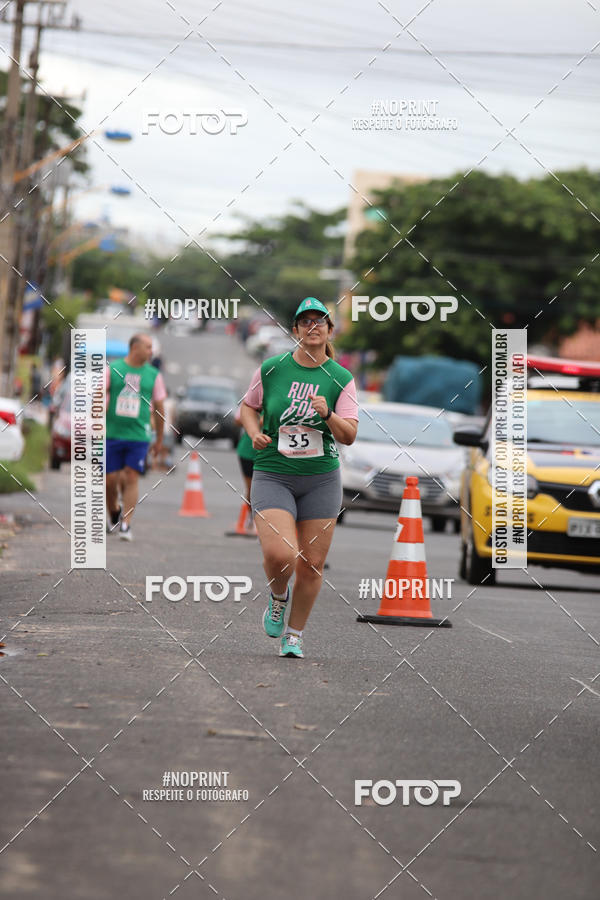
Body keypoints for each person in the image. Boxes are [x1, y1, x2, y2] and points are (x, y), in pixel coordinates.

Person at [240, 297, 359, 659]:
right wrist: (253, 432)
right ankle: (279, 596)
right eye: (305, 321)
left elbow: (349, 435)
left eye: (319, 321)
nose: (313, 327)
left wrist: (328, 415)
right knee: (281, 554)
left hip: (321, 479)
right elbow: (248, 406)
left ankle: (294, 635)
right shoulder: (272, 368)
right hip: (273, 473)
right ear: (295, 330)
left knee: (312, 564)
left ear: (329, 330)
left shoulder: (341, 379)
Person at [105, 333, 166, 540]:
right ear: (134, 348)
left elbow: (160, 408)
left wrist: (159, 439)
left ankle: (126, 524)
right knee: (110, 481)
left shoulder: (154, 375)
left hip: (139, 435)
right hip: (113, 434)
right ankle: (114, 511)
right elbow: (99, 394)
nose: (151, 351)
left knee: (131, 476)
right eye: (148, 347)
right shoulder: (113, 369)